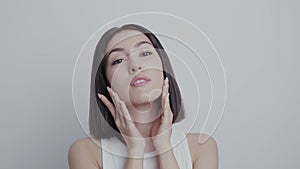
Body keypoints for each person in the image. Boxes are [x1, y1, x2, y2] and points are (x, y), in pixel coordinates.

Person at [68, 24, 218, 169]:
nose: (135, 65)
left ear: (163, 66)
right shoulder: (85, 152)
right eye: (118, 60)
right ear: (105, 81)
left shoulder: (202, 147)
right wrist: (135, 150)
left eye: (145, 53)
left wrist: (164, 147)